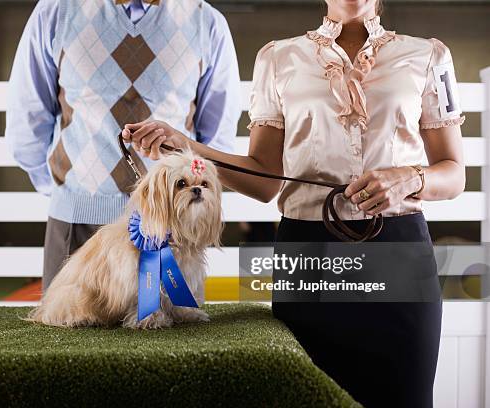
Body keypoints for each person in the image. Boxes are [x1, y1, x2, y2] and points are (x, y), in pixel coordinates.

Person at [123, 0, 465, 406]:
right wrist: (188, 147)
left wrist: (412, 177)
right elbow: (264, 178)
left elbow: (454, 173)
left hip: (401, 256)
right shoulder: (278, 58)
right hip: (308, 255)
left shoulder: (428, 56)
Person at [5, 0, 241, 291]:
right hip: (75, 228)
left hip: (171, 234)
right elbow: (26, 120)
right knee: (62, 330)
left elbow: (217, 140)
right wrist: (69, 194)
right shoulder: (56, 11)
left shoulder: (207, 22)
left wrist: (172, 204)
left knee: (173, 333)